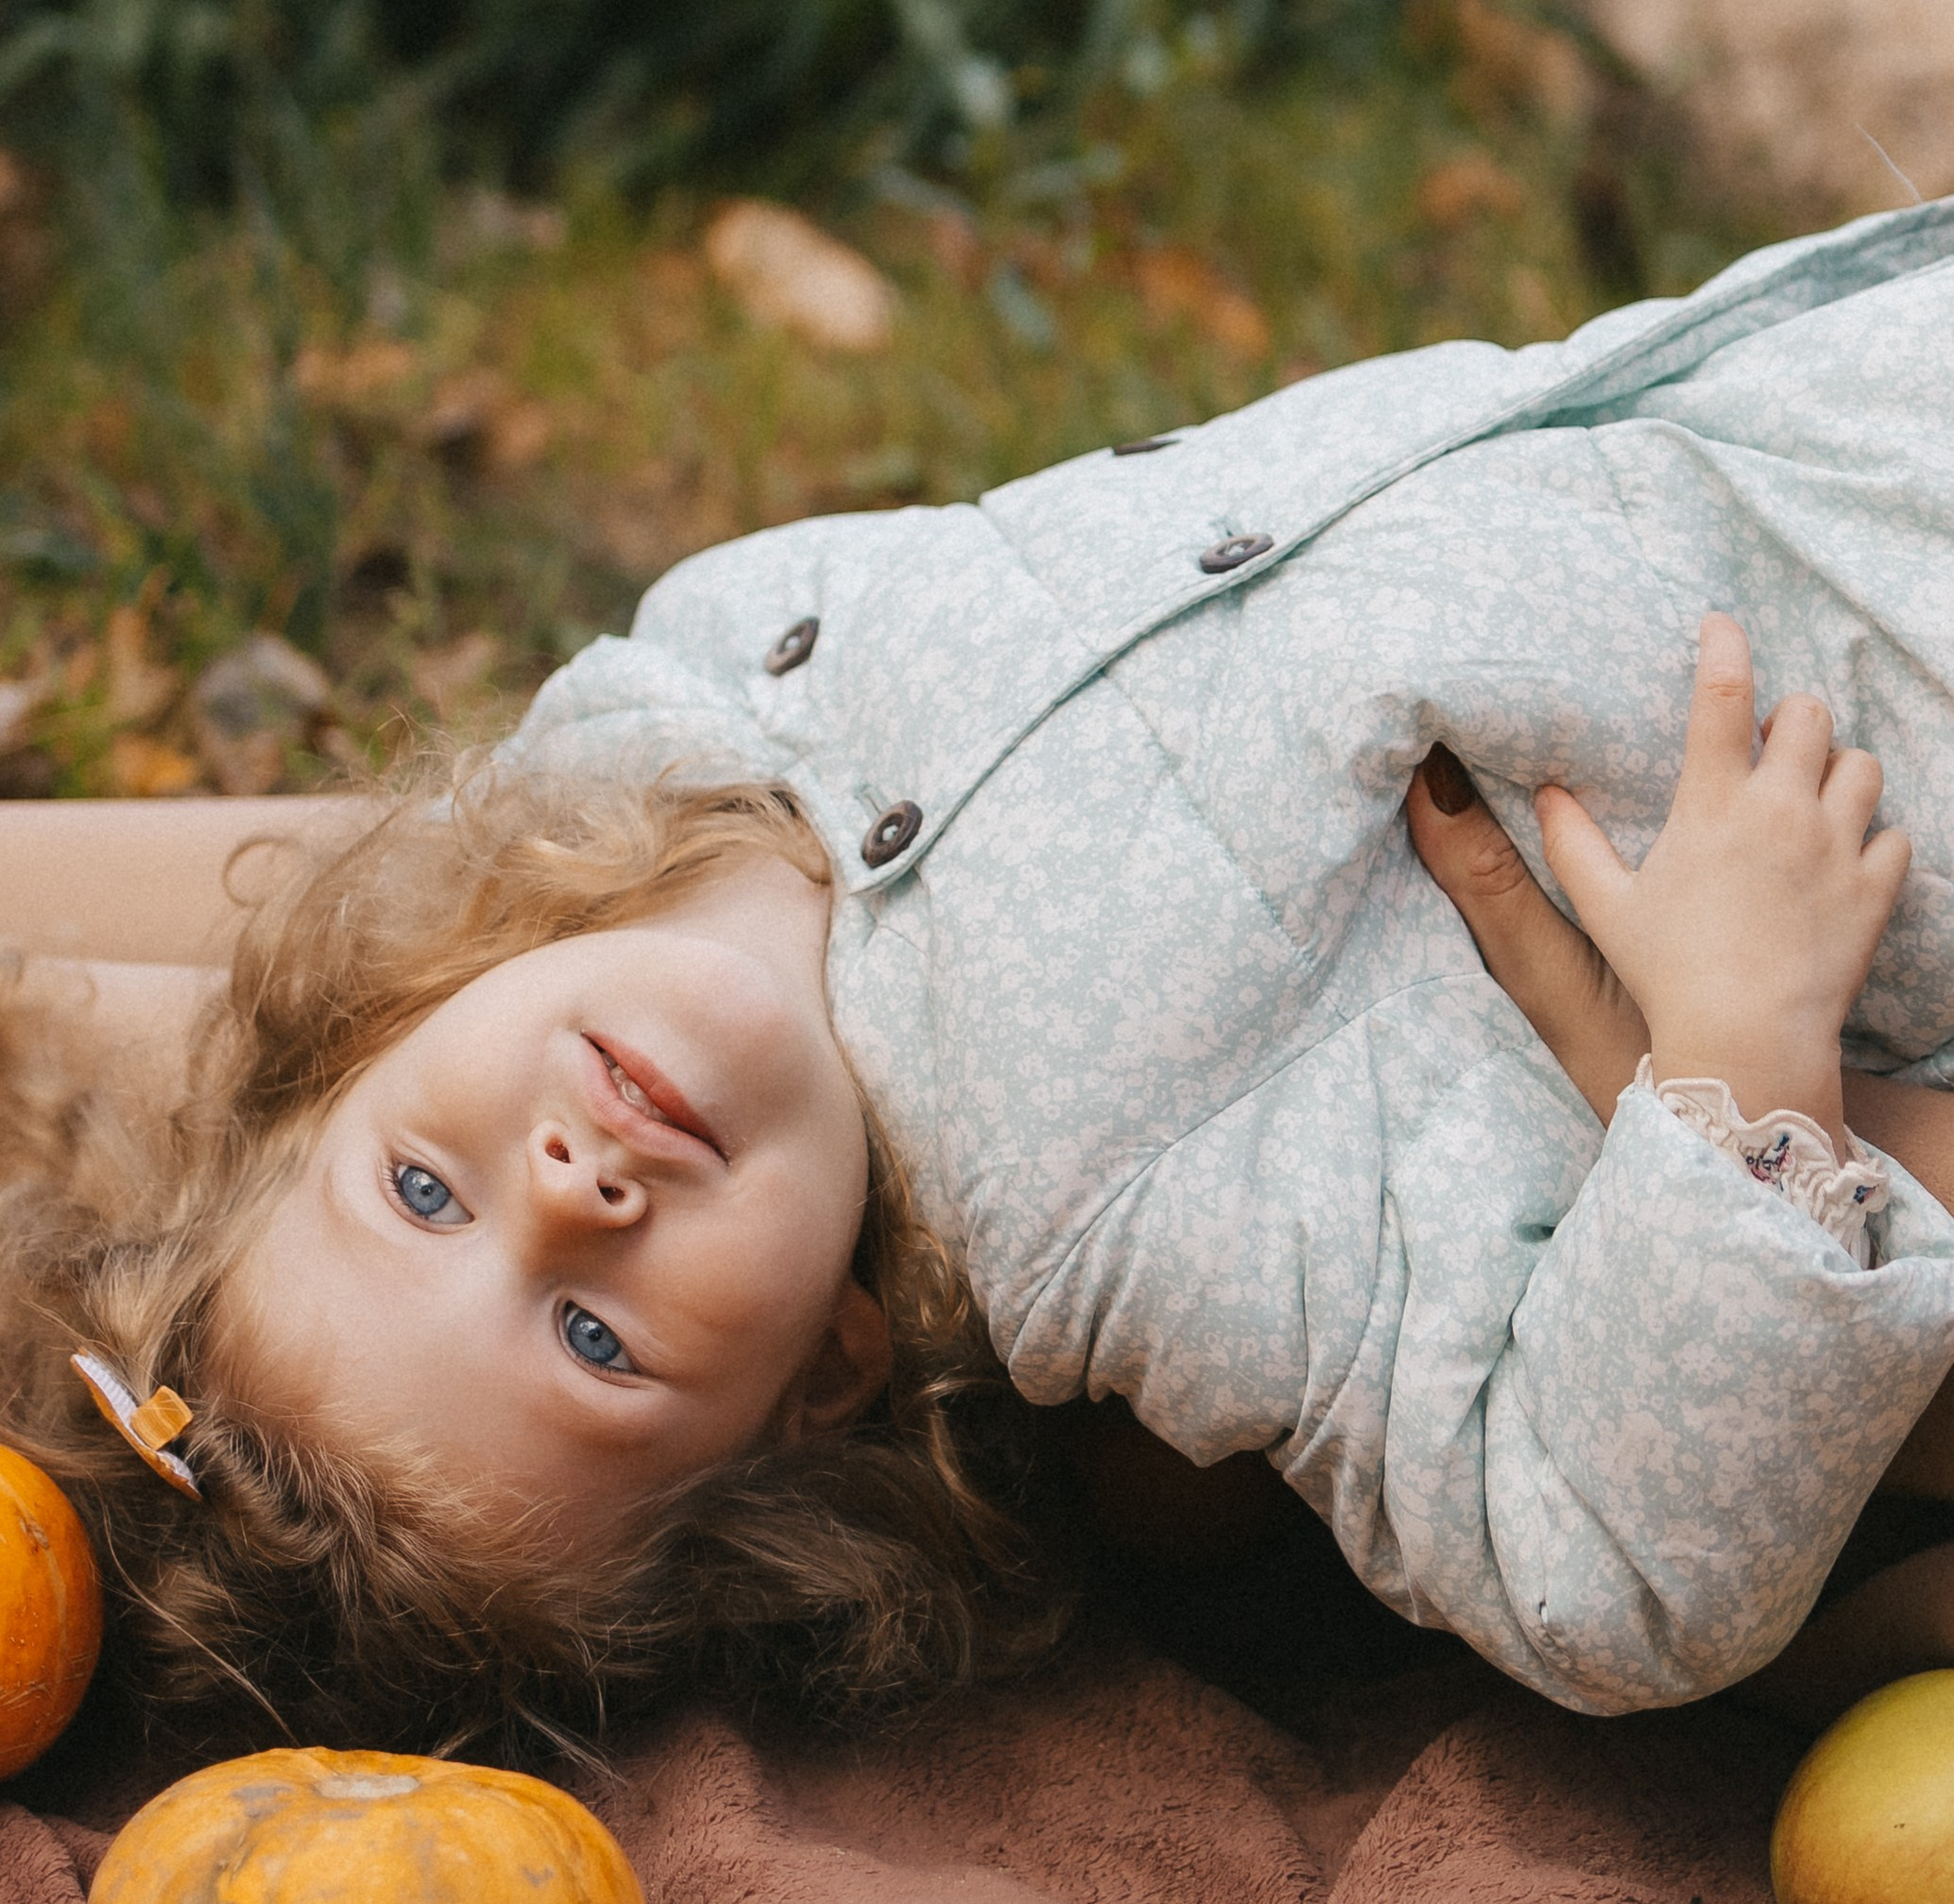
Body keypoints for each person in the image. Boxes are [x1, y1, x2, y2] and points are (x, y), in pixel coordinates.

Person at [4, 195, 1954, 1754]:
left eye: (421, 1192)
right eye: (596, 1340)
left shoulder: (654, 734)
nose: (567, 1198)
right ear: (813, 1388)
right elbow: (1597, 1569)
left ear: (358, 1048)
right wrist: (1739, 1067)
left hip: (1820, 392)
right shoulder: (1110, 1213)